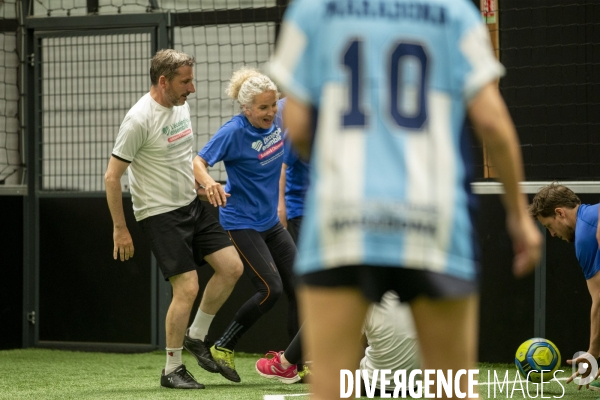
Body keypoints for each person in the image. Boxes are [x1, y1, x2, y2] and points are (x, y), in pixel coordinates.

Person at [267, 0, 542, 399]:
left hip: (341, 220)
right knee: (452, 387)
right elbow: (492, 122)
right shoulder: (453, 11)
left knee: (329, 388)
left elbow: (298, 126)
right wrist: (518, 213)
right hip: (433, 219)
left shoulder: (312, 11)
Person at [104, 49, 243, 390]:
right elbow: (111, 176)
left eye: (191, 80)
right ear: (163, 81)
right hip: (160, 213)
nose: (192, 88)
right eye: (186, 81)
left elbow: (179, 160)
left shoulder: (181, 105)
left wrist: (203, 187)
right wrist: (120, 228)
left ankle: (197, 336)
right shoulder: (139, 119)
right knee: (188, 287)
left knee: (231, 267)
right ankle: (171, 369)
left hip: (191, 205)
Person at [194, 66, 299, 383]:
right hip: (242, 223)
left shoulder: (279, 116)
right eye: (263, 108)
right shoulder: (233, 132)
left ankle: (296, 361)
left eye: (273, 105)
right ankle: (222, 347)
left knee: (304, 288)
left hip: (270, 222)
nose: (271, 113)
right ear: (246, 108)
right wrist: (209, 182)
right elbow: (198, 162)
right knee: (272, 289)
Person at [255, 291, 421, 395]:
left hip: (372, 384)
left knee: (326, 311)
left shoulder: (367, 297)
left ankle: (284, 364)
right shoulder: (425, 294)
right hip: (414, 384)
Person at [529, 183, 600, 390]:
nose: (552, 234)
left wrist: (593, 352)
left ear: (560, 213)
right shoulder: (592, 217)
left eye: (549, 226)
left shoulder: (585, 237)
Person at [276, 96, 310, 244]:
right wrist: (280, 207)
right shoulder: (301, 128)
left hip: (321, 206)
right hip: (299, 209)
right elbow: (281, 167)